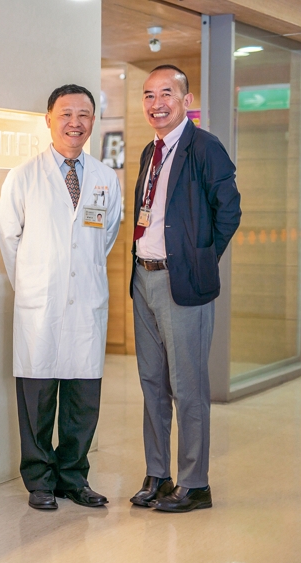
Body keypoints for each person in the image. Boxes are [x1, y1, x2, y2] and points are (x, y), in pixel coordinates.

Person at [0, 84, 121, 511]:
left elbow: (106, 235)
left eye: (84, 115)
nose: (75, 123)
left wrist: (74, 278)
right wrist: (36, 284)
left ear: (92, 122)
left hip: (86, 303)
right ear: (48, 119)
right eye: (66, 114)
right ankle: (39, 482)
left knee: (82, 399)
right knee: (38, 397)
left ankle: (73, 477)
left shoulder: (105, 178)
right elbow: (7, 238)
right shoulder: (24, 176)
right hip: (40, 306)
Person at [129, 65, 241, 512]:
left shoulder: (205, 147)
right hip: (143, 279)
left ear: (185, 98)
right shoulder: (149, 151)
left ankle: (195, 483)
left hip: (183, 283)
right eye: (149, 95)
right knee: (152, 383)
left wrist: (198, 260)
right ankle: (158, 475)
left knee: (188, 385)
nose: (157, 103)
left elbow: (228, 213)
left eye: (166, 94)